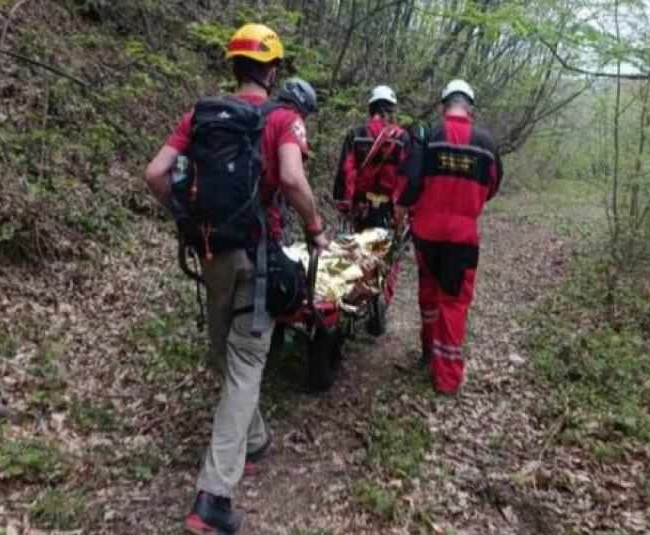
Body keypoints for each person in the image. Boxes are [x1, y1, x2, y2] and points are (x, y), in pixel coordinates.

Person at [142, 23, 327, 534]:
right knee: (245, 366)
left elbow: (155, 174)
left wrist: (186, 218)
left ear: (232, 66)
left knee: (228, 353)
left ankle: (255, 440)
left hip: (210, 252)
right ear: (273, 71)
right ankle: (213, 498)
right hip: (257, 257)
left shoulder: (200, 116)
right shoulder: (285, 119)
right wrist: (315, 228)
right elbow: (291, 178)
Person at [397, 79, 502, 394]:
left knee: (429, 293)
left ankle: (428, 351)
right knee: (454, 303)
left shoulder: (428, 135)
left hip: (426, 233)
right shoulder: (486, 143)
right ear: (470, 107)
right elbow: (493, 185)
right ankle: (446, 379)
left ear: (445, 105)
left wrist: (404, 209)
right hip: (462, 237)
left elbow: (410, 182)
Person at [332, 85, 409, 314]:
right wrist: (402, 208)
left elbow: (346, 171)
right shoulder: (402, 138)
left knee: (358, 251)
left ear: (371, 108)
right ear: (392, 110)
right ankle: (382, 296)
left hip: (361, 207)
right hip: (389, 209)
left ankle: (357, 298)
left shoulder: (356, 135)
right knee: (391, 254)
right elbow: (405, 177)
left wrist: (344, 204)